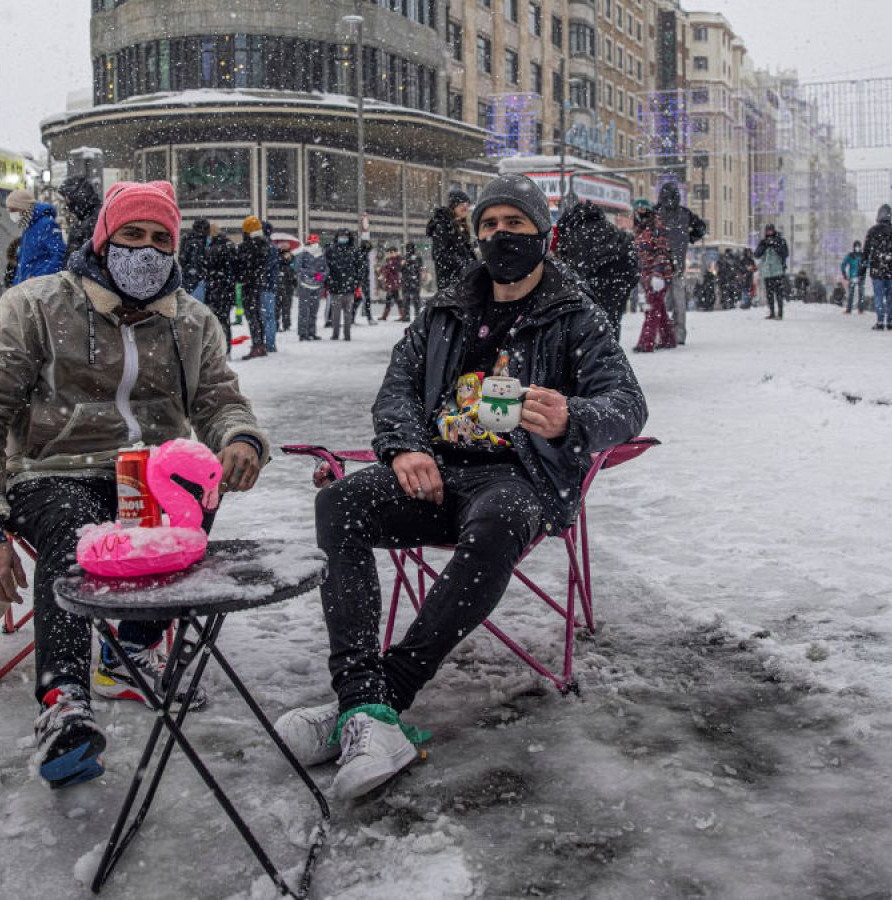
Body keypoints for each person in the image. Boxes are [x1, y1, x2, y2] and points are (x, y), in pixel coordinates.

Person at [273, 174, 646, 799]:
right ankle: (362, 702)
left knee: (498, 520)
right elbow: (396, 389)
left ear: (542, 235)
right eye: (490, 226)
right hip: (436, 471)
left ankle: (381, 698)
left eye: (515, 225)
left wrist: (571, 417)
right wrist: (405, 446)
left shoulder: (575, 314)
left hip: (518, 476)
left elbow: (628, 404)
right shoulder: (445, 310)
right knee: (339, 502)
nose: (502, 236)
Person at [0, 180, 267, 788]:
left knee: (189, 497)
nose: (146, 252)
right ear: (103, 240)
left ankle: (133, 652)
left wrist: (240, 439)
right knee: (79, 544)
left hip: (149, 470)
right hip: (52, 471)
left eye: (160, 239)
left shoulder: (191, 322)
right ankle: (62, 700)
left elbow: (220, 399)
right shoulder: (38, 305)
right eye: (132, 235)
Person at [556, 200, 637, 341]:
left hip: (590, 286)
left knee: (587, 328)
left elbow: (571, 265)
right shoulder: (612, 230)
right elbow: (631, 256)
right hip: (617, 282)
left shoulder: (575, 234)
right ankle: (610, 354)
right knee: (611, 324)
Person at [654, 182, 707, 345]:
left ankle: (659, 332)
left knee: (658, 301)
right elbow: (701, 228)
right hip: (677, 262)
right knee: (679, 301)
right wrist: (689, 238)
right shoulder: (685, 213)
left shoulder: (655, 213)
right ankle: (679, 333)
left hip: (659, 263)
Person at [632, 198, 677, 352]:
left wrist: (657, 274)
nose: (640, 213)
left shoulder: (657, 226)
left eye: (643, 209)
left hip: (660, 274)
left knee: (652, 308)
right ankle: (668, 339)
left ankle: (646, 342)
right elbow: (640, 255)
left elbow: (662, 250)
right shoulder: (638, 229)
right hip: (647, 274)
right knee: (659, 307)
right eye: (638, 210)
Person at [7, 188, 68, 284]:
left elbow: (59, 254)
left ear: (23, 207)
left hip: (38, 288)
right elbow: (25, 262)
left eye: (13, 210)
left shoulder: (46, 224)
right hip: (26, 288)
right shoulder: (28, 227)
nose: (11, 214)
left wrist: (39, 278)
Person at [860, 205, 892, 331]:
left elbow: (866, 251)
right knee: (891, 295)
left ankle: (880, 321)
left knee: (879, 296)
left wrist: (863, 268)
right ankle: (890, 321)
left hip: (877, 269)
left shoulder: (872, 231)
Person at [425, 190, 477, 292]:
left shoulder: (461, 227)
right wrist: (465, 265)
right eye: (462, 204)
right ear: (453, 206)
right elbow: (440, 255)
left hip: (462, 283)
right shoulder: (442, 226)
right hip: (450, 284)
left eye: (467, 204)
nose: (465, 207)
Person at [236, 216, 271, 360]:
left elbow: (242, 265)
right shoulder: (263, 243)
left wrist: (241, 275)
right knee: (257, 315)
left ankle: (257, 345)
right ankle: (260, 344)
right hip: (258, 284)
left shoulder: (248, 246)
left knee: (252, 316)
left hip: (249, 285)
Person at [204, 229, 239, 353]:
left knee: (214, 322)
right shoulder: (230, 247)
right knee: (225, 321)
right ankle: (227, 349)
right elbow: (235, 271)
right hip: (228, 291)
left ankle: (218, 349)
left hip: (215, 290)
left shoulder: (212, 249)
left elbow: (207, 269)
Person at [324, 229, 362, 341]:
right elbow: (327, 268)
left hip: (349, 289)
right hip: (335, 288)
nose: (343, 238)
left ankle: (347, 335)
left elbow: (359, 269)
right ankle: (335, 334)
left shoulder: (354, 251)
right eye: (341, 236)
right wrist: (329, 282)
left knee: (348, 313)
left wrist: (356, 283)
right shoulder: (331, 250)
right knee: (336, 314)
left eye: (345, 236)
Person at [293, 233, 327, 340]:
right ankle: (303, 333)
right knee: (303, 310)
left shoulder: (322, 255)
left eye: (316, 242)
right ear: (308, 242)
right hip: (304, 286)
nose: (314, 244)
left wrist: (320, 276)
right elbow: (297, 268)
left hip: (317, 287)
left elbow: (326, 270)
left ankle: (312, 332)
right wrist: (311, 274)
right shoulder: (302, 253)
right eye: (312, 242)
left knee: (314, 311)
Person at [753, 224, 790, 320]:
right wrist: (764, 245)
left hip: (778, 271)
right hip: (767, 272)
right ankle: (772, 312)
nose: (769, 232)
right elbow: (756, 254)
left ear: (774, 230)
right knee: (769, 294)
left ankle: (780, 313)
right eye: (767, 231)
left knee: (779, 293)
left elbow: (785, 253)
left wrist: (775, 245)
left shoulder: (781, 240)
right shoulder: (763, 242)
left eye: (770, 230)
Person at [61, 176, 101, 254]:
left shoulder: (94, 219)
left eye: (67, 199)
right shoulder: (83, 217)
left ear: (75, 197)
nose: (66, 203)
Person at [261, 221, 283, 351]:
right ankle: (270, 343)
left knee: (263, 316)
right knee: (270, 316)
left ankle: (263, 342)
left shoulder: (259, 246)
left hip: (260, 286)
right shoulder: (273, 247)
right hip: (270, 286)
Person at [179, 218, 210, 303]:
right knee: (197, 308)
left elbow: (181, 259)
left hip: (187, 277)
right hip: (198, 279)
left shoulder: (186, 238)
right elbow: (198, 261)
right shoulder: (200, 241)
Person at [400, 242, 424, 320]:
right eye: (408, 248)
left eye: (411, 248)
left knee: (415, 300)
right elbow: (400, 269)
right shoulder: (404, 257)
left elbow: (419, 268)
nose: (410, 250)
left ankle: (416, 316)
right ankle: (409, 316)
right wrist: (403, 264)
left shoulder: (417, 258)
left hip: (413, 281)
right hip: (408, 281)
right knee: (408, 299)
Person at [378, 246, 403, 320]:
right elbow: (386, 269)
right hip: (391, 282)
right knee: (393, 299)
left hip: (393, 282)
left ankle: (386, 315)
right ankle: (401, 314)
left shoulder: (396, 260)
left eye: (391, 252)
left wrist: (385, 269)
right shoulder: (389, 260)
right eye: (389, 252)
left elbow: (394, 269)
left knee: (394, 299)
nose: (390, 254)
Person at [841, 242, 865, 315]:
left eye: (858, 246)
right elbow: (843, 264)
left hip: (861, 276)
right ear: (854, 247)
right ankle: (848, 309)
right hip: (852, 277)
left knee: (861, 293)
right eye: (856, 246)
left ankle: (860, 310)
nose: (857, 248)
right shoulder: (850, 255)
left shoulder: (863, 255)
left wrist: (864, 269)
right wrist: (844, 273)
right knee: (851, 293)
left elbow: (868, 263)